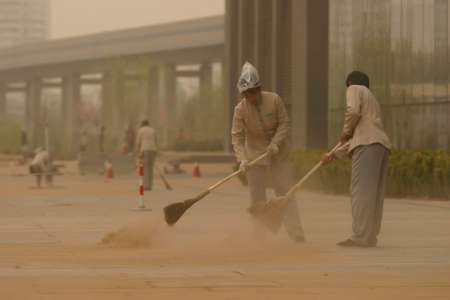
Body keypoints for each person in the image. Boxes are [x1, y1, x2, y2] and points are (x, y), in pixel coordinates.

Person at [231, 62, 305, 242]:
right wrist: (242, 160)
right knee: (257, 200)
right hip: (254, 158)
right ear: (243, 94)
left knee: (285, 194)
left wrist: (275, 143)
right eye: (247, 94)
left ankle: (296, 233)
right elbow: (237, 137)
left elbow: (284, 123)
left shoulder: (274, 99)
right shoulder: (240, 109)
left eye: (253, 92)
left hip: (279, 154)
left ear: (259, 88)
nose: (251, 97)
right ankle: (259, 236)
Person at [322, 71, 391, 248]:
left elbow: (352, 112)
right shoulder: (372, 100)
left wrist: (345, 131)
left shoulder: (354, 88)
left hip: (367, 145)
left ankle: (360, 236)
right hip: (380, 146)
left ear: (350, 82)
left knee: (361, 192)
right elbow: (359, 135)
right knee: (374, 195)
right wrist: (333, 155)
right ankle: (370, 236)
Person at [136, 120, 157, 190]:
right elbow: (155, 140)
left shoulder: (141, 130)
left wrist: (138, 151)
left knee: (145, 168)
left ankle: (146, 185)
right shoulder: (152, 130)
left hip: (145, 149)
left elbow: (138, 142)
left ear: (142, 124)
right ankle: (150, 185)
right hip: (153, 150)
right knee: (150, 168)